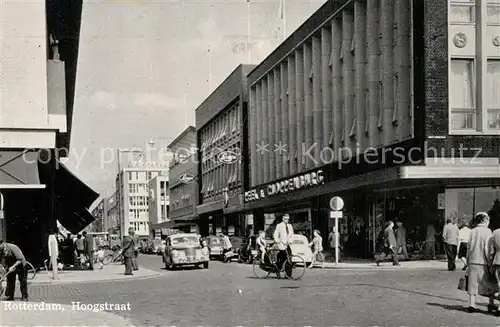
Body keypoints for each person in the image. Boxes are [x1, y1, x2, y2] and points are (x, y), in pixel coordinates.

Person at [466, 212, 497, 313]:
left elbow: (468, 247)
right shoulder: (488, 231)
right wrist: (490, 261)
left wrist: (467, 260)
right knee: (490, 283)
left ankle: (471, 304)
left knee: (472, 283)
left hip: (472, 260)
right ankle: (491, 303)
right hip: (483, 261)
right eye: (488, 220)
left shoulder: (472, 231)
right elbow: (488, 248)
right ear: (485, 220)